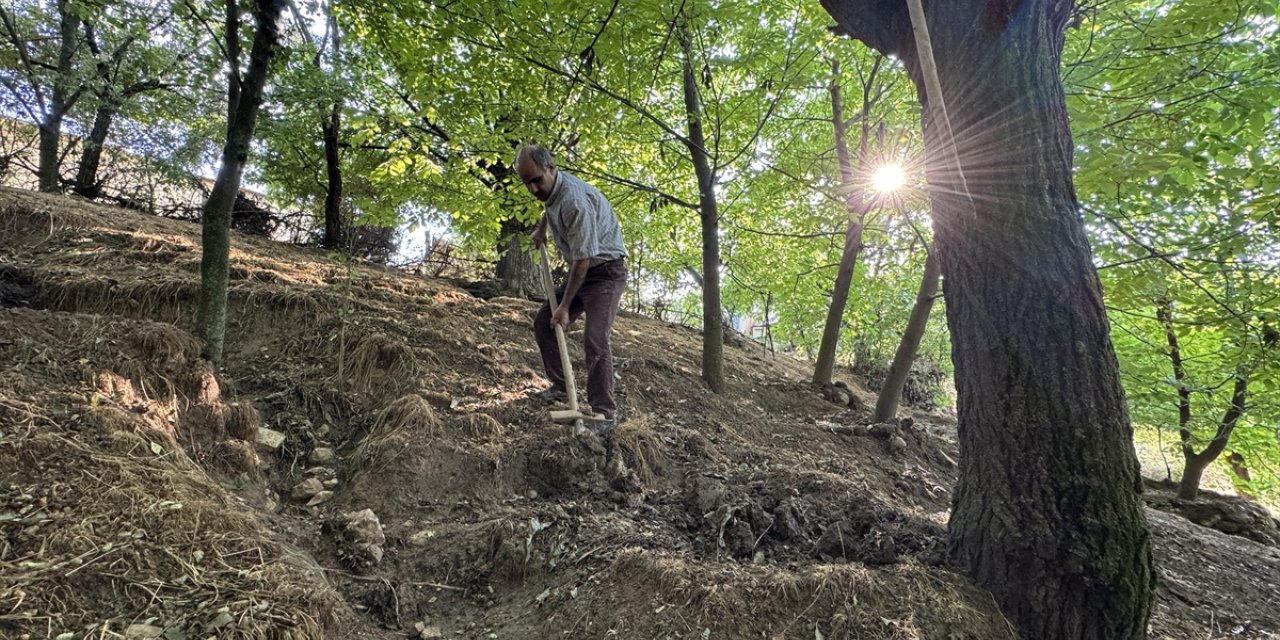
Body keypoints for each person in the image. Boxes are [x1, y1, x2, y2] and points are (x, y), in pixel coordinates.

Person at [515, 145, 627, 434]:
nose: (532, 189)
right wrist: (542, 229)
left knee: (595, 338)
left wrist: (565, 307)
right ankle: (561, 385)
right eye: (526, 183)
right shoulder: (553, 190)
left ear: (551, 167)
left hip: (605, 272)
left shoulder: (574, 201)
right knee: (543, 322)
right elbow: (550, 206)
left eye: (536, 180)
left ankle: (605, 413)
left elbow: (582, 260)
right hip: (586, 270)